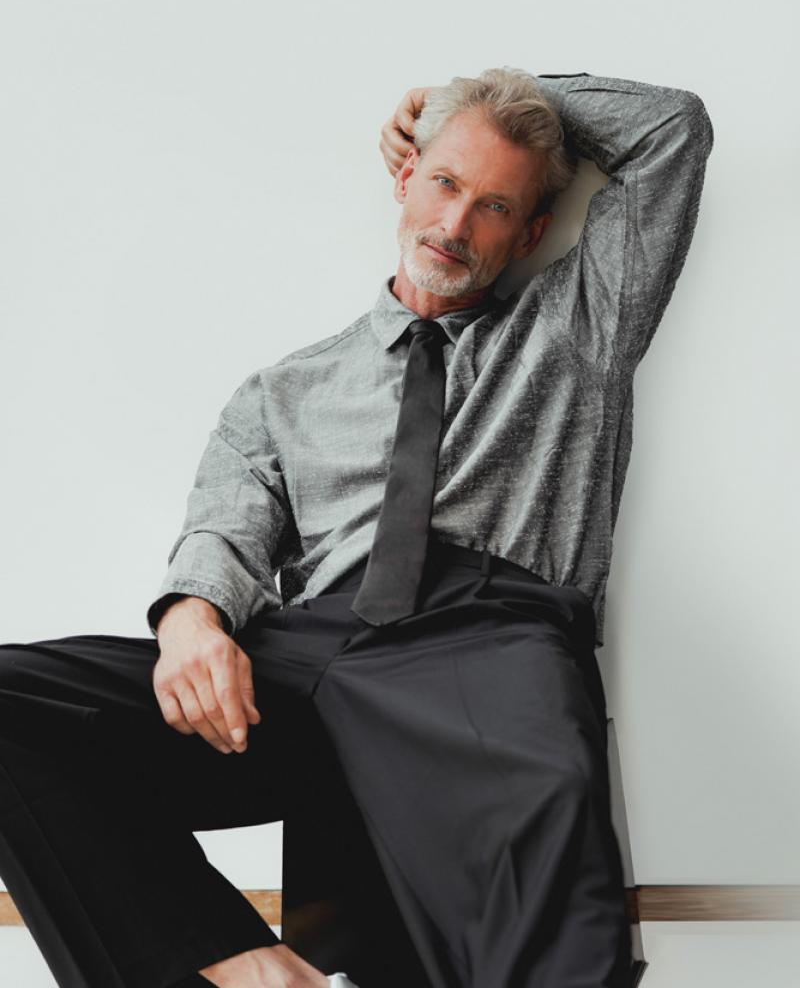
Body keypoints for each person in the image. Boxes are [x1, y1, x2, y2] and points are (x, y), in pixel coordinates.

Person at [0, 66, 714, 988]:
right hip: (305, 654)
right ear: (405, 178)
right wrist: (190, 622)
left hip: (483, 630)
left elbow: (672, 128)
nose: (456, 224)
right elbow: (222, 532)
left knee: (551, 845)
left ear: (532, 231)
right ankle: (246, 971)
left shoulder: (576, 327)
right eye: (445, 182)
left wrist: (467, 92)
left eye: (494, 206)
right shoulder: (282, 390)